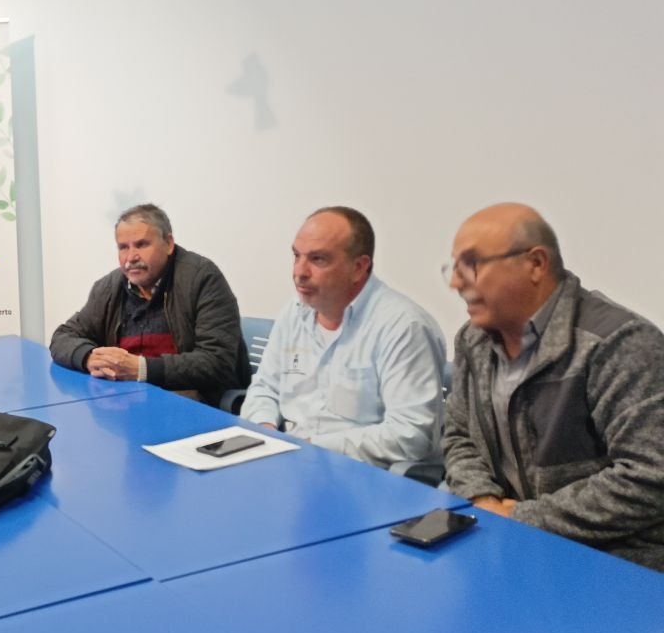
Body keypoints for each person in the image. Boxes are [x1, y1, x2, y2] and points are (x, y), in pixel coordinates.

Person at [442, 203, 664, 570]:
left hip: (617, 557)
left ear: (535, 264)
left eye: (474, 265)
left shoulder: (618, 344)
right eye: (454, 268)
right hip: (510, 538)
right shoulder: (473, 341)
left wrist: (525, 519)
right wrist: (482, 500)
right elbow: (459, 434)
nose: (456, 282)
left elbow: (651, 476)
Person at [240, 207, 446, 470]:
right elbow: (265, 387)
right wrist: (265, 429)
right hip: (290, 460)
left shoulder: (403, 327)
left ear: (359, 268)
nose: (299, 272)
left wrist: (310, 445)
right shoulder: (294, 312)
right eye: (296, 256)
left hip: (364, 473)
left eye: (318, 260)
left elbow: (412, 434)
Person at [50, 203, 249, 407]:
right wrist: (88, 357)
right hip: (126, 403)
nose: (131, 257)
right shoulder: (109, 287)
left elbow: (216, 362)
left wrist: (141, 369)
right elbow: (62, 337)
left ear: (169, 244)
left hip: (190, 403)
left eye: (142, 244)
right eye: (123, 247)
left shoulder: (202, 278)